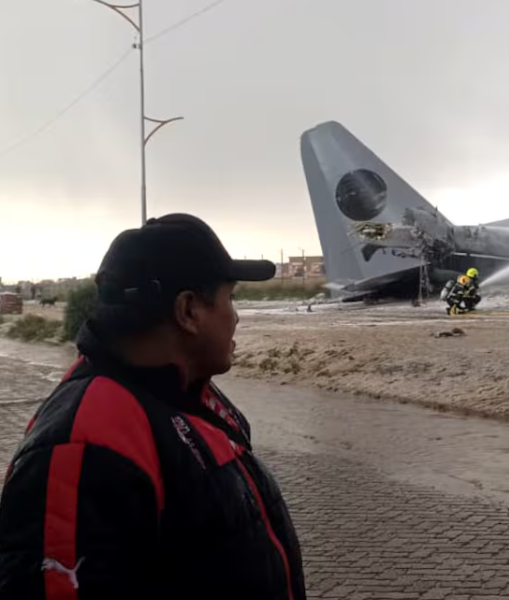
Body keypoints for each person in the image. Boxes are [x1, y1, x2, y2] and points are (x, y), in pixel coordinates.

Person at [0, 214, 306, 599]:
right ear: (188, 311)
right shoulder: (85, 441)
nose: (236, 316)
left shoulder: (189, 395)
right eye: (230, 298)